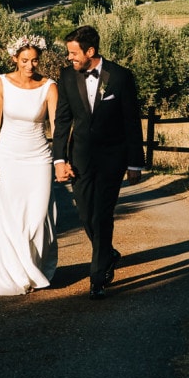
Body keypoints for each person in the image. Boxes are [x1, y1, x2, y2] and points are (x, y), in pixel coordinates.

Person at [51, 25, 144, 300]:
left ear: (90, 52)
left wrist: (135, 163)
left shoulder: (120, 77)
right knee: (85, 214)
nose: (69, 58)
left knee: (102, 215)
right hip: (80, 158)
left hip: (112, 159)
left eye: (73, 53)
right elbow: (62, 121)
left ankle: (98, 277)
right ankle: (109, 254)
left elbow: (131, 121)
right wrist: (59, 159)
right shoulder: (67, 77)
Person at [0, 34, 60, 296]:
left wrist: (62, 158)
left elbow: (57, 127)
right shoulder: (2, 83)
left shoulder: (49, 87)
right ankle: (15, 274)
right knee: (10, 216)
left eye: (35, 61)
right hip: (8, 156)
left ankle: (34, 268)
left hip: (39, 158)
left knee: (38, 217)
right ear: (15, 58)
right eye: (25, 60)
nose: (30, 66)